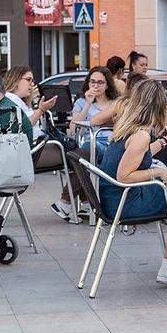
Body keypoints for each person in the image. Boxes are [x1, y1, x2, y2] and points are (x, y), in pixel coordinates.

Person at [98, 79, 167, 286]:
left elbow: (139, 155)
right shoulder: (141, 135)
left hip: (113, 200)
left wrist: (166, 140)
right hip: (125, 204)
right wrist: (158, 172)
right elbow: (124, 176)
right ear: (159, 106)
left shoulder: (128, 128)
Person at [52, 67, 119, 220]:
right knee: (85, 153)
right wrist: (88, 104)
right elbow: (73, 129)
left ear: (107, 85)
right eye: (92, 82)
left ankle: (66, 202)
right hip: (89, 143)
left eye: (100, 82)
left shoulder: (116, 103)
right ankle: (84, 204)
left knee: (80, 156)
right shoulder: (81, 102)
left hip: (111, 144)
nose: (96, 85)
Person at [3, 66, 57, 140]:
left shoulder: (17, 99)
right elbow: (25, 125)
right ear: (16, 80)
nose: (32, 84)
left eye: (32, 81)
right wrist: (41, 110)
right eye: (28, 80)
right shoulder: (10, 99)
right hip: (33, 143)